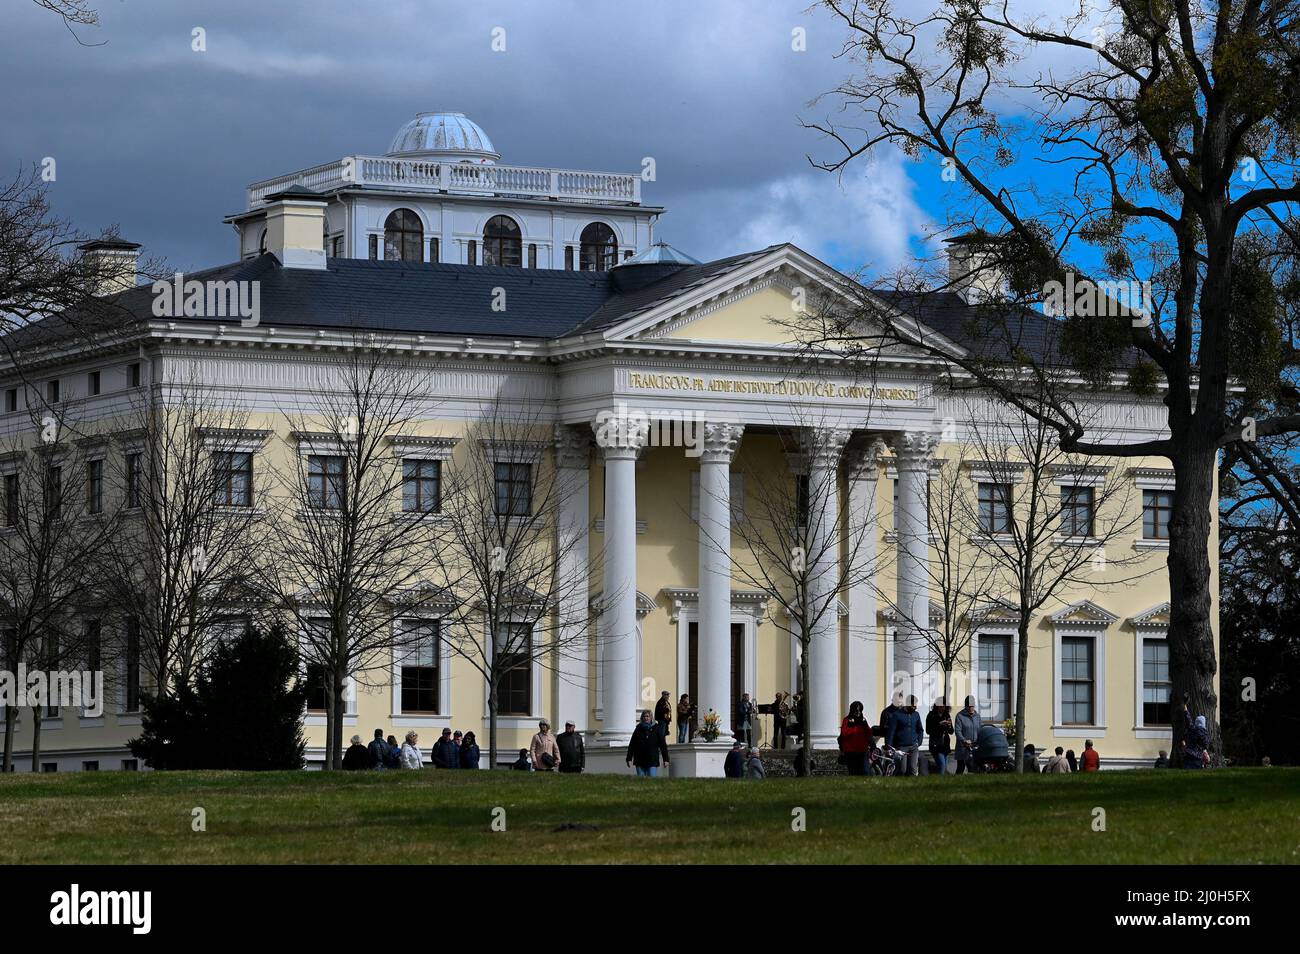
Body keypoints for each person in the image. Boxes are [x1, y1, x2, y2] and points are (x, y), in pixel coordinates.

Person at [886, 695, 924, 776]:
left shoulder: (916, 715)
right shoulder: (896, 715)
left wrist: (919, 742)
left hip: (914, 746)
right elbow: (891, 732)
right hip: (901, 747)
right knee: (902, 770)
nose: (915, 707)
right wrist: (889, 746)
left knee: (913, 770)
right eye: (914, 705)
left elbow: (920, 729)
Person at [626, 709, 670, 777]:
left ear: (651, 718)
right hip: (639, 760)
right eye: (644, 716)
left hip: (652, 760)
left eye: (647, 716)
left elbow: (663, 745)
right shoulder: (638, 729)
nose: (646, 718)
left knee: (651, 780)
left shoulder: (656, 729)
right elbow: (632, 745)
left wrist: (666, 759)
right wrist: (629, 758)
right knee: (641, 781)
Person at [839, 701, 873, 776]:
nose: (858, 712)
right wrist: (851, 725)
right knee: (853, 772)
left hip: (862, 751)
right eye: (856, 710)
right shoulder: (847, 720)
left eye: (860, 710)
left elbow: (869, 734)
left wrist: (865, 725)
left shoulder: (863, 720)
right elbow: (844, 734)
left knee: (865, 772)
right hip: (851, 752)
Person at [954, 695, 981, 775]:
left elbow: (980, 729)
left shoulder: (977, 716)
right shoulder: (960, 716)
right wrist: (964, 740)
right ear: (965, 706)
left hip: (974, 747)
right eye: (969, 706)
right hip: (963, 747)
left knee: (972, 768)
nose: (971, 708)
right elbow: (958, 731)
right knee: (960, 768)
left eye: (972, 706)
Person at [926, 699, 953, 775]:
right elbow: (928, 730)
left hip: (945, 745)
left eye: (943, 706)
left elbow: (951, 731)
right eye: (940, 706)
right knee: (942, 765)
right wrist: (939, 724)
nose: (942, 708)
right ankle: (940, 784)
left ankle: (939, 782)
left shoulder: (946, 715)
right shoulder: (931, 715)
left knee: (944, 767)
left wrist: (949, 726)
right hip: (936, 744)